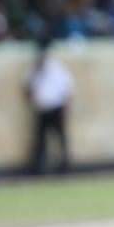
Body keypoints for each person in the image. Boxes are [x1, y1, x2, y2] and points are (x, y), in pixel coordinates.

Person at [26, 37, 74, 174]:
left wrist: (66, 105)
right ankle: (39, 167)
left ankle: (64, 165)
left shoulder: (56, 67)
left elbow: (67, 87)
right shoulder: (34, 70)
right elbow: (28, 88)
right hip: (42, 108)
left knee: (60, 138)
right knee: (40, 140)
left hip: (56, 107)